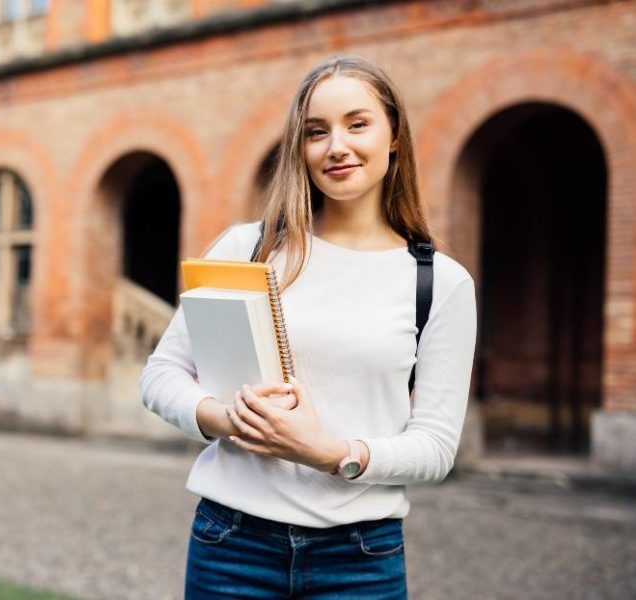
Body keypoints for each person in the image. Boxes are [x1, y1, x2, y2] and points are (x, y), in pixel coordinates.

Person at [138, 53, 477, 599]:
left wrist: (328, 453)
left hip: (361, 560)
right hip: (232, 546)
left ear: (394, 136)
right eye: (316, 131)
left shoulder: (439, 282)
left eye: (358, 124)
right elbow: (160, 375)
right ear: (300, 147)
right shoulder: (249, 249)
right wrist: (228, 420)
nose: (336, 146)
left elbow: (436, 447)